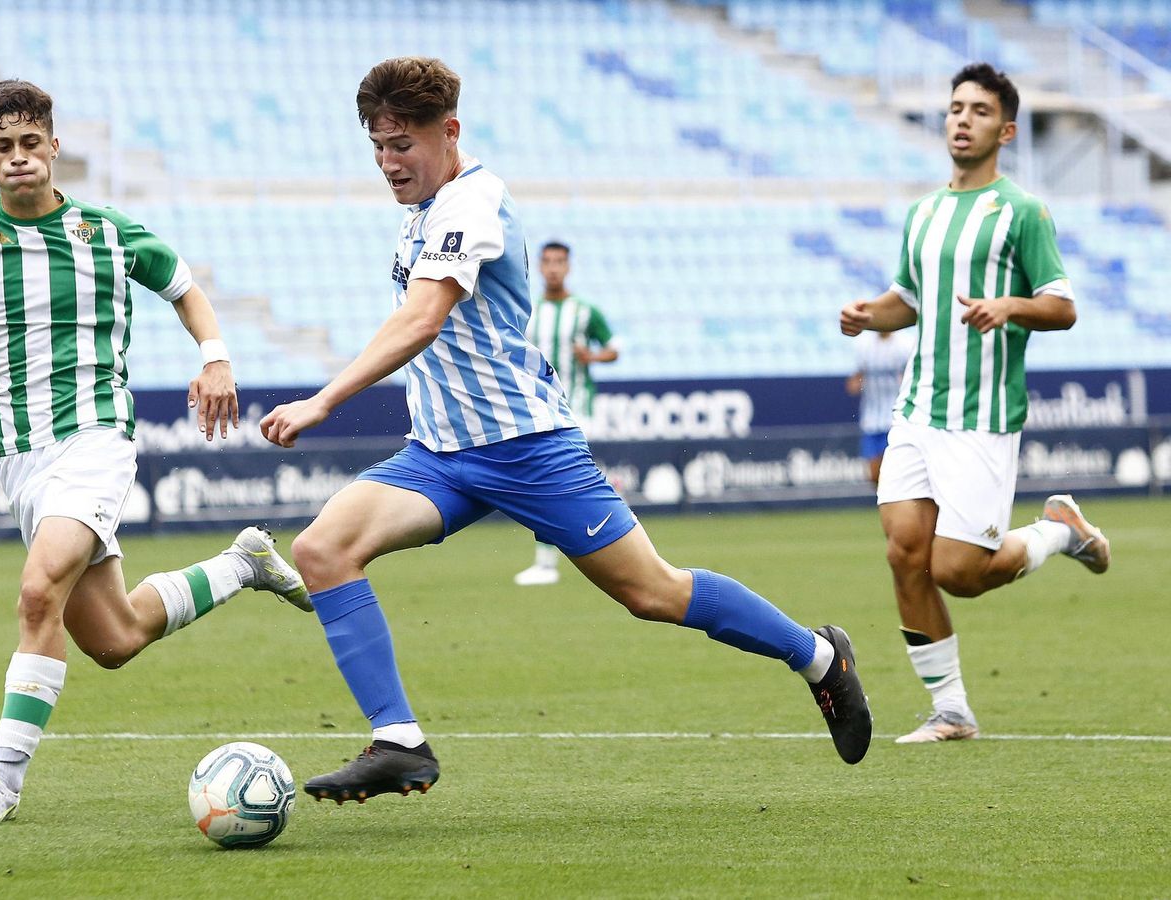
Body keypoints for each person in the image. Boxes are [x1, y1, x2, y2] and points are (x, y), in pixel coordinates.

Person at [260, 57, 872, 804]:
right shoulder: (421, 208)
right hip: (441, 456)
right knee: (323, 549)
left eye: (404, 144)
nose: (389, 162)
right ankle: (399, 743)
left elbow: (422, 319)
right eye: (378, 146)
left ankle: (817, 656)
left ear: (449, 132)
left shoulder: (470, 205)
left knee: (652, 593)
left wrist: (323, 400)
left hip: (527, 451)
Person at [0, 80, 312, 826]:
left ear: (54, 146)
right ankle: (244, 563)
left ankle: (0, 784)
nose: (20, 159)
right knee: (115, 638)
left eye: (31, 143)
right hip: (23, 461)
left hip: (97, 438)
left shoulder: (105, 232)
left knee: (36, 592)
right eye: (3, 148)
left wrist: (216, 357)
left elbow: (186, 289)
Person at [839, 63, 1110, 745]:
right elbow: (908, 300)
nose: (962, 119)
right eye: (955, 108)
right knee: (905, 555)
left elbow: (1062, 306)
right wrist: (868, 315)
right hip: (917, 409)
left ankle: (1058, 530)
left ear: (1006, 130)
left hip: (982, 415)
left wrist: (1009, 306)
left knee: (957, 573)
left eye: (979, 111)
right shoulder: (923, 212)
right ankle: (952, 711)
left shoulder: (1023, 212)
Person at [515, 240, 619, 586]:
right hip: (538, 409)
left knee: (558, 481)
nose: (554, 268)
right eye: (548, 262)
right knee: (548, 483)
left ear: (568, 266)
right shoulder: (527, 310)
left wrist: (593, 357)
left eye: (560, 261)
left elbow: (613, 349)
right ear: (540, 267)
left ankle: (591, 549)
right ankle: (550, 560)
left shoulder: (585, 311)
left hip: (577, 409)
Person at [846, 329, 912, 486]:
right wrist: (855, 385)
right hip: (871, 419)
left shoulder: (904, 345)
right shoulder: (864, 345)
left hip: (895, 419)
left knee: (893, 471)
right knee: (874, 474)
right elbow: (856, 378)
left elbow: (912, 376)